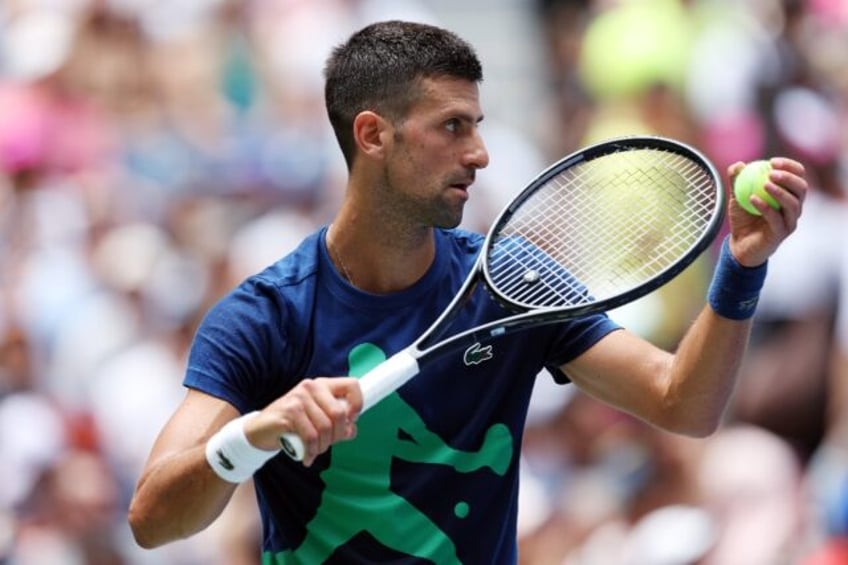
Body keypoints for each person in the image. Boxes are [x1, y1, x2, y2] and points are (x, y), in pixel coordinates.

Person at [127, 19, 808, 564]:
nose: (480, 152)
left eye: (478, 125)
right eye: (453, 126)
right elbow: (152, 519)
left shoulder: (512, 284)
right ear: (373, 135)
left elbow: (682, 402)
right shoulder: (266, 316)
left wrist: (742, 265)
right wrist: (256, 432)